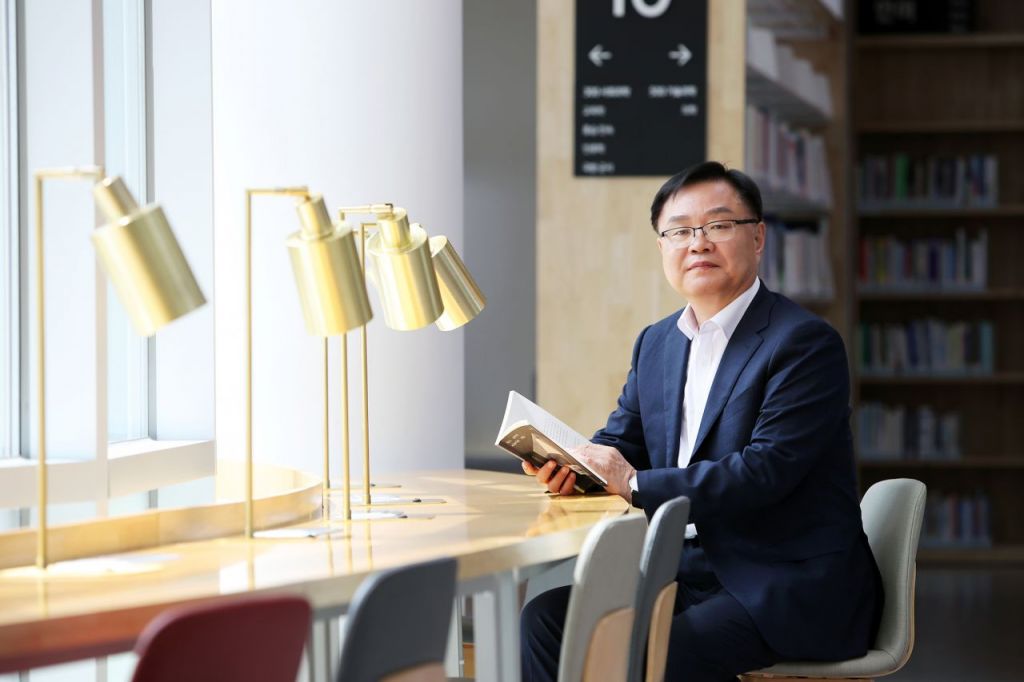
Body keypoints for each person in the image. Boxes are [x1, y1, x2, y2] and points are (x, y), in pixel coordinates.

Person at [520, 161, 883, 682]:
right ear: (662, 247)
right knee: (545, 620)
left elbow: (765, 470)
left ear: (758, 237)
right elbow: (621, 442)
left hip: (785, 581)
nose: (698, 243)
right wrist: (572, 467)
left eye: (718, 225)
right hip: (683, 574)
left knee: (665, 652)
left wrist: (634, 483)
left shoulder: (804, 342)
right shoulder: (656, 343)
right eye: (680, 231)